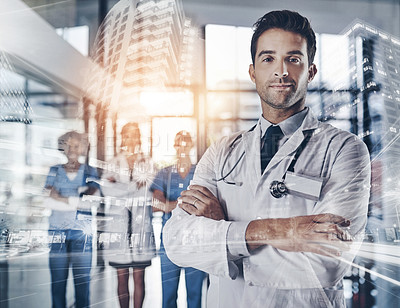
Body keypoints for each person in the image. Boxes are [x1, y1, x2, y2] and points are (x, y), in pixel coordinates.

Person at [163, 10, 371, 308]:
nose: (281, 71)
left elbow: (326, 263)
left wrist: (223, 235)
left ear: (310, 71)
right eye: (268, 58)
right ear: (253, 72)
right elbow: (179, 242)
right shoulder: (222, 151)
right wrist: (284, 231)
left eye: (294, 59)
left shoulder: (344, 150)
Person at [101, 122, 155, 308]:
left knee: (139, 279)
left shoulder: (147, 162)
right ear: (122, 138)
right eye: (127, 135)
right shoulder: (113, 162)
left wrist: (120, 186)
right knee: (121, 279)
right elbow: (107, 190)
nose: (130, 139)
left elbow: (147, 194)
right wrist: (133, 187)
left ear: (138, 138)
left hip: (140, 227)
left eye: (134, 135)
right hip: (119, 226)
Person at [150, 131, 205, 308]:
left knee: (195, 296)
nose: (182, 146)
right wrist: (187, 203)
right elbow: (157, 204)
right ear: (174, 146)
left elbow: (205, 204)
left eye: (186, 142)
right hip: (170, 243)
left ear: (191, 145)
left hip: (196, 243)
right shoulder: (164, 173)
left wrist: (170, 204)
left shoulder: (201, 171)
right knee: (168, 296)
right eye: (178, 143)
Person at [45, 131, 99, 308]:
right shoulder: (54, 170)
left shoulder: (90, 171)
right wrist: (77, 198)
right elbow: (47, 200)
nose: (71, 149)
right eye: (67, 145)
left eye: (76, 145)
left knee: (82, 286)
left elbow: (92, 201)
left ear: (82, 148)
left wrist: (60, 198)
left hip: (81, 236)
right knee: (57, 285)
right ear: (62, 147)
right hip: (57, 234)